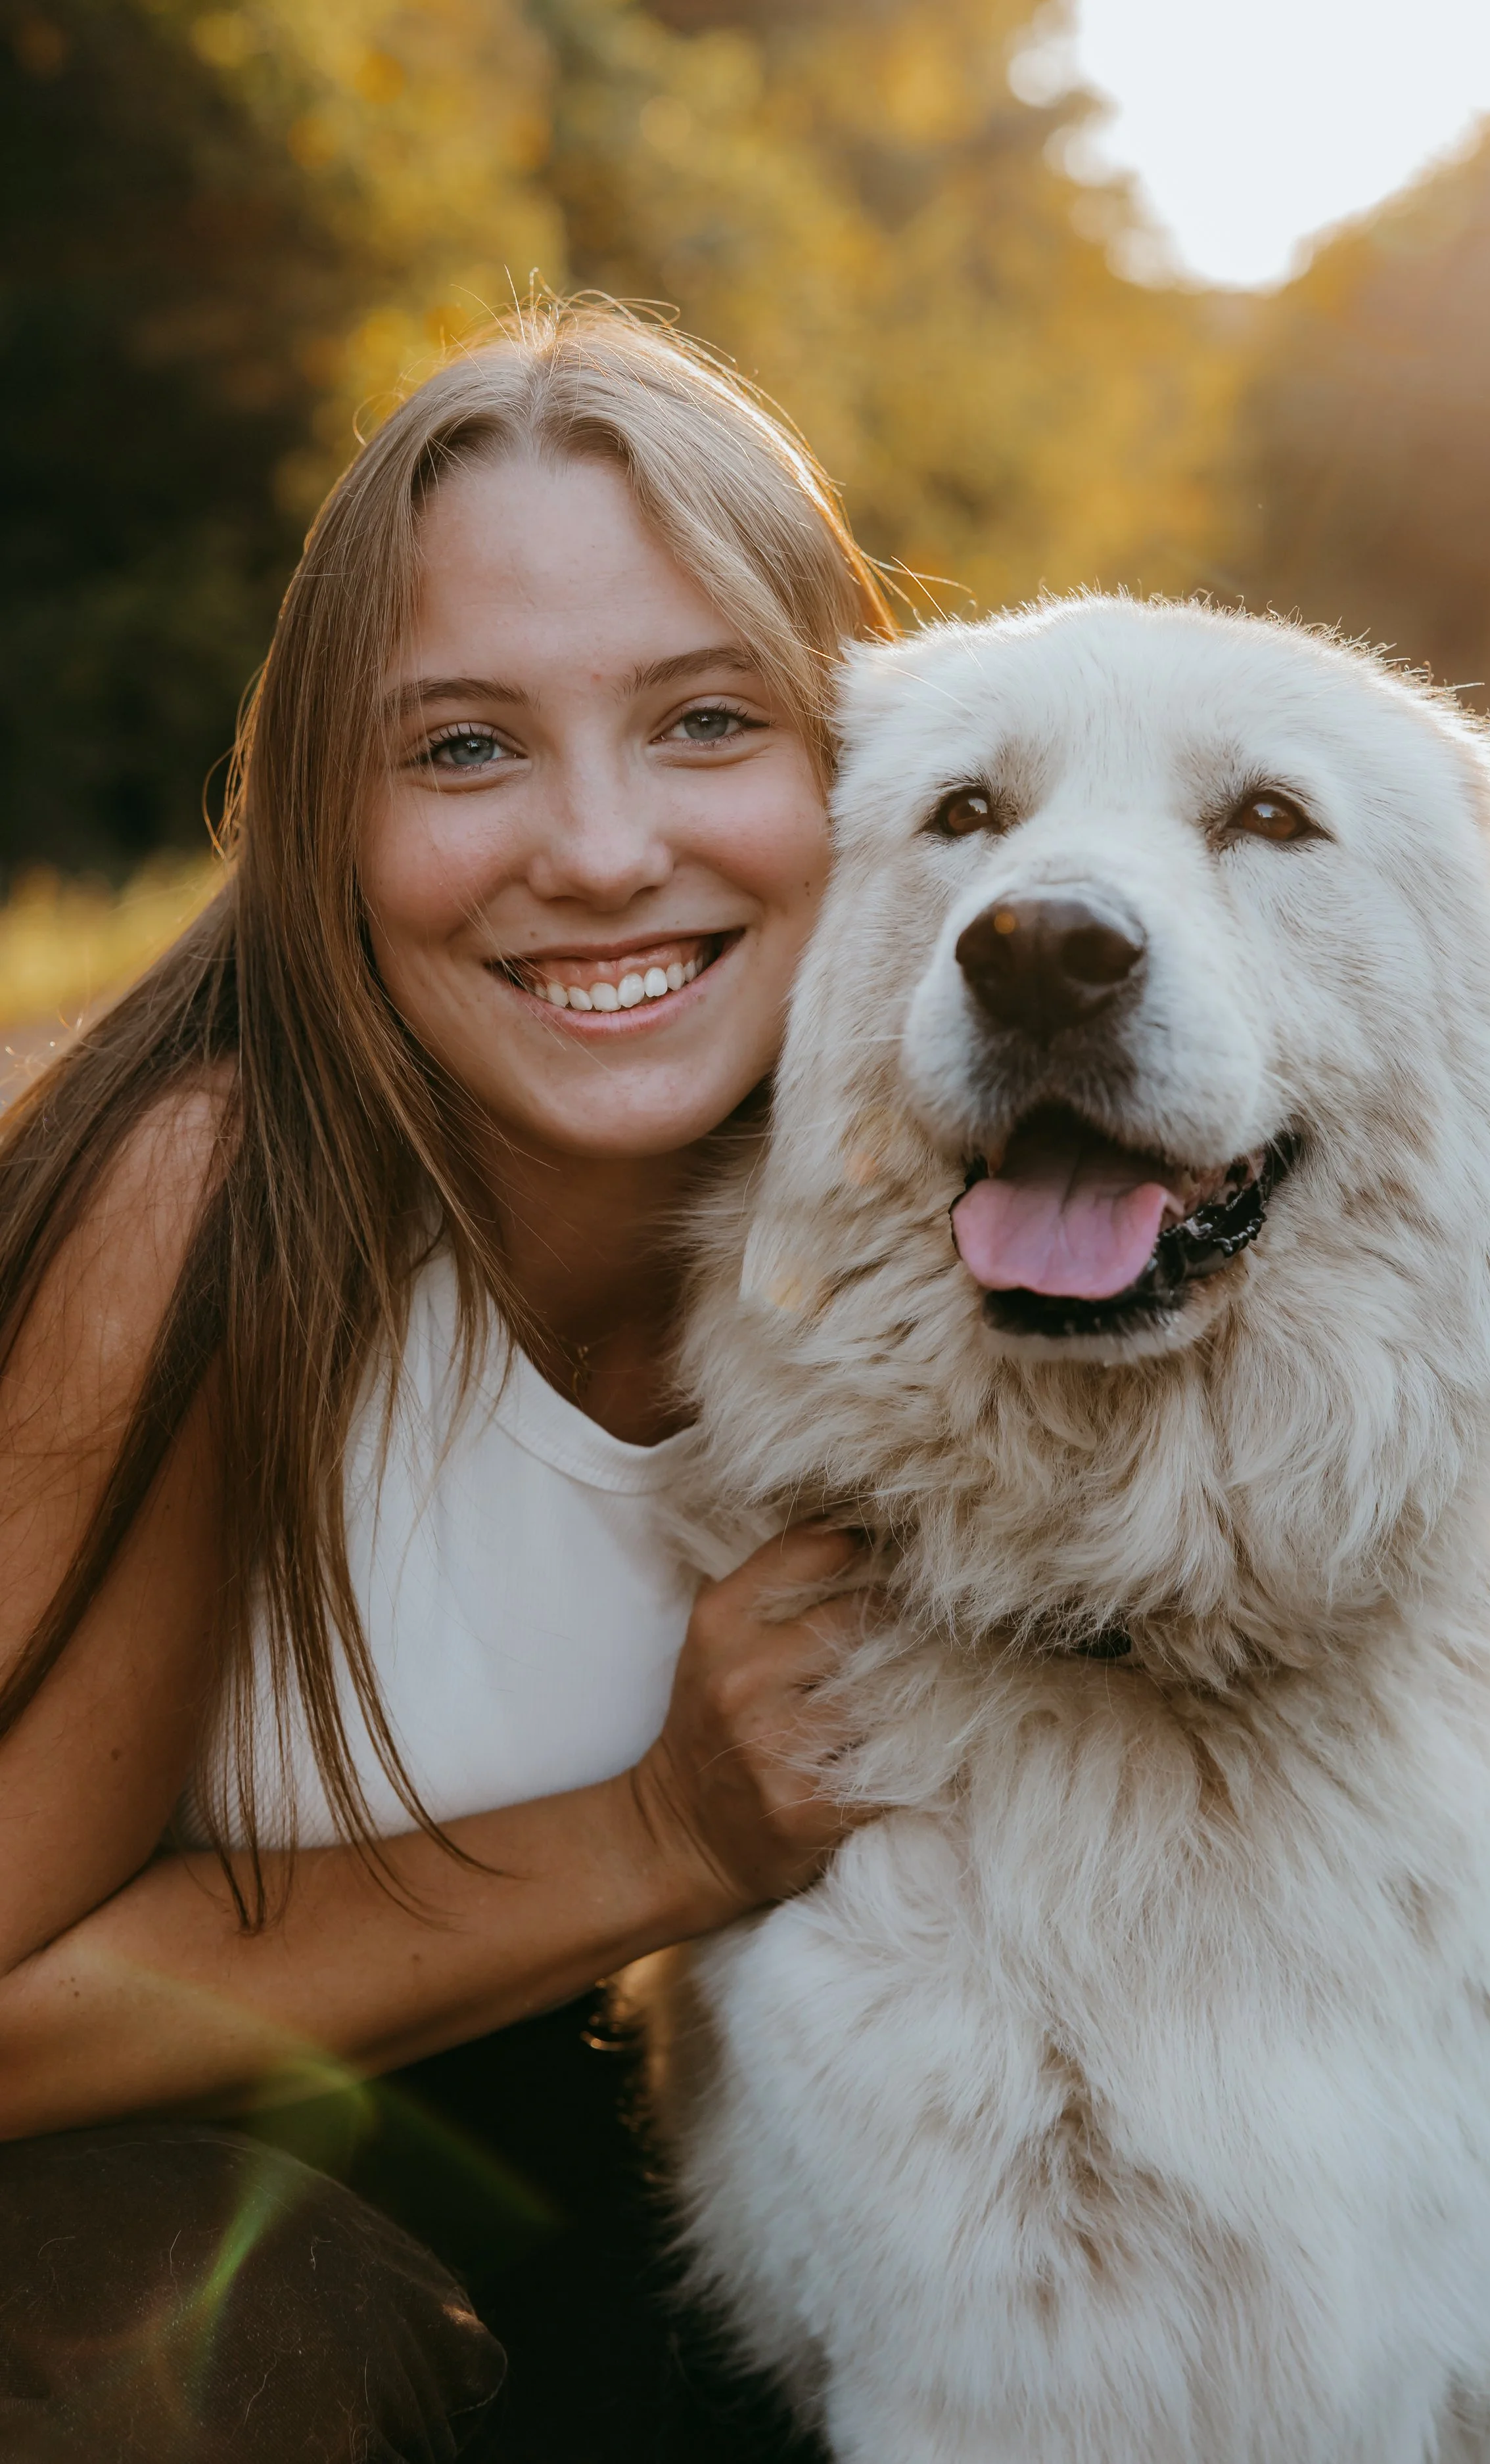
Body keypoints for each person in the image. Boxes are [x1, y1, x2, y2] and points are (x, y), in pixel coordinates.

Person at [0, 302, 897, 2462]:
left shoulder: (911, 1215)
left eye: (704, 719)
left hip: (492, 2092)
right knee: (228, 2345)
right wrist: (665, 1826)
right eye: (466, 746)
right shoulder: (202, 1204)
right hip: (93, 2175)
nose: (596, 849)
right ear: (331, 819)